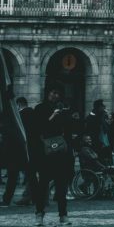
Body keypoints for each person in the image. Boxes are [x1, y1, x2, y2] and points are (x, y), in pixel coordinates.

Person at [34, 88, 73, 226]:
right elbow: (38, 128)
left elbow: (68, 129)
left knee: (61, 185)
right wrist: (53, 115)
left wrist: (67, 115)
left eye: (56, 93)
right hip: (45, 153)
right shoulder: (40, 108)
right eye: (51, 92)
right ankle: (39, 214)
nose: (54, 95)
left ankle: (63, 215)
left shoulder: (62, 109)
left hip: (60, 153)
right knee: (43, 184)